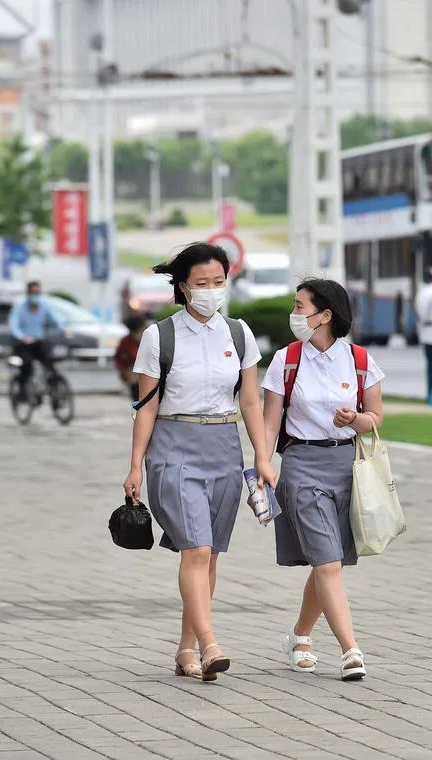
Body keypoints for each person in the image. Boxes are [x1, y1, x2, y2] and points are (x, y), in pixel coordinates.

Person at [123, 242, 277, 682]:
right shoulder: (159, 337)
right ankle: (211, 645)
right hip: (173, 447)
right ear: (183, 287)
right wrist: (136, 465)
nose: (212, 291)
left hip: (224, 447)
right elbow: (147, 406)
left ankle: (185, 649)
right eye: (202, 284)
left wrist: (261, 458)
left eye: (219, 282)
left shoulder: (239, 333)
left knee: (209, 557)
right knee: (197, 548)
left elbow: (250, 400)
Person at [261, 278, 386, 681]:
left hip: (347, 466)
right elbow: (270, 421)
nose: (294, 314)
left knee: (328, 562)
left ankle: (299, 637)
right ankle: (351, 650)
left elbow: (376, 419)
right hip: (301, 464)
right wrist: (263, 465)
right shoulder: (287, 359)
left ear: (325, 315)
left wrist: (356, 420)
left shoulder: (361, 360)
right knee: (328, 562)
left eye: (300, 307)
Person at [7, 281, 65, 401]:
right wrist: (21, 336)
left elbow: (55, 319)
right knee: (27, 366)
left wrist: (63, 329)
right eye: (33, 292)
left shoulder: (43, 306)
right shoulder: (19, 307)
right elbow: (13, 325)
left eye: (38, 292)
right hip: (23, 343)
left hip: (38, 342)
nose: (36, 295)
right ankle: (22, 392)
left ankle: (55, 395)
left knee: (50, 366)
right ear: (27, 293)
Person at [414, 268, 432, 398]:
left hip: (426, 332)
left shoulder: (422, 292)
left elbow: (419, 312)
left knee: (430, 365)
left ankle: (431, 393)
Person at [114, 315, 147, 404]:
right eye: (143, 326)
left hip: (153, 378)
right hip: (135, 380)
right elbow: (120, 361)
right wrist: (126, 375)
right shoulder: (126, 342)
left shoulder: (152, 338)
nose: (146, 327)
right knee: (138, 404)